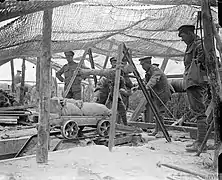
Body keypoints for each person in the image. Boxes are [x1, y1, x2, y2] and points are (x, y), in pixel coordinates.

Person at [178, 25, 208, 152]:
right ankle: (200, 141)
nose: (182, 39)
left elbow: (204, 62)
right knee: (196, 110)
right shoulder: (191, 46)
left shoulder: (199, 45)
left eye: (183, 36)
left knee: (199, 111)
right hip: (191, 81)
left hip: (196, 82)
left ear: (190, 33)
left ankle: (201, 143)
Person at [132, 56, 171, 137]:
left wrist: (147, 87)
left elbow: (153, 80)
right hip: (157, 94)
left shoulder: (155, 70)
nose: (142, 67)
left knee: (160, 113)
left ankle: (161, 132)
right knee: (156, 112)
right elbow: (146, 82)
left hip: (163, 93)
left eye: (143, 65)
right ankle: (157, 130)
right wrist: (138, 87)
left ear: (148, 63)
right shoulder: (148, 72)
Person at [93, 57, 128, 125]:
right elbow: (99, 86)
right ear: (111, 63)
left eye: (117, 62)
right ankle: (99, 124)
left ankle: (125, 125)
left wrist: (126, 92)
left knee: (122, 110)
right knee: (102, 110)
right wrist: (96, 96)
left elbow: (122, 87)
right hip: (105, 95)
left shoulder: (120, 76)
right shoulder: (107, 73)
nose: (115, 64)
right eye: (114, 62)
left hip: (115, 96)